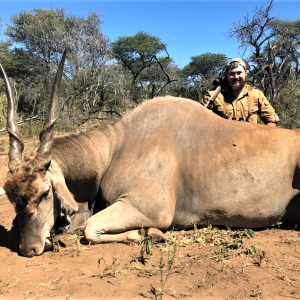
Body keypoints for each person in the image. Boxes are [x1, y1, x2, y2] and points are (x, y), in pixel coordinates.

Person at [202, 58, 279, 126]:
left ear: (245, 73)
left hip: (249, 140)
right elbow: (200, 119)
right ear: (226, 75)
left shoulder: (256, 94)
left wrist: (260, 139)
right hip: (222, 140)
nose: (236, 77)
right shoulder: (213, 95)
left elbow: (271, 120)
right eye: (232, 73)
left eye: (239, 73)